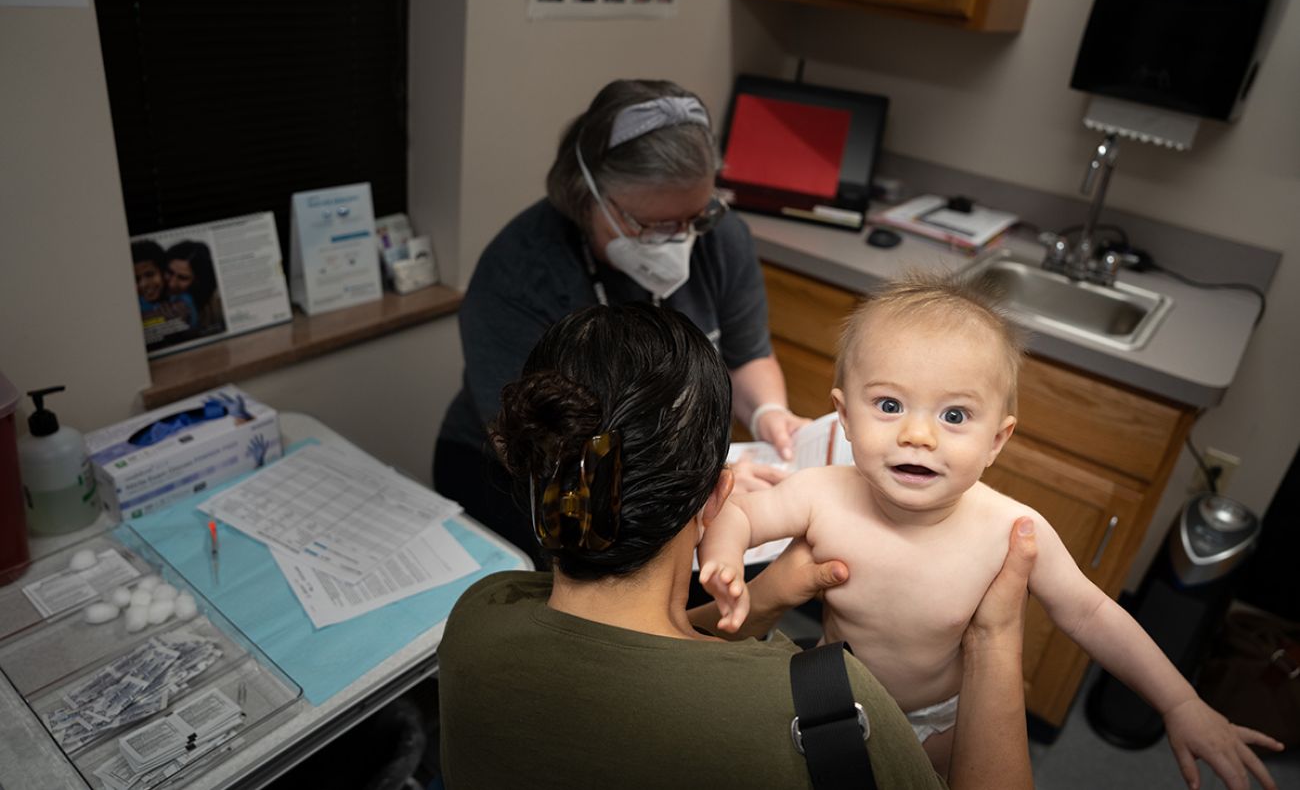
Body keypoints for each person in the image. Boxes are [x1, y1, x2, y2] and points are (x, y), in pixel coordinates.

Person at [698, 274, 1285, 787]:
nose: (919, 435)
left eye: (954, 415)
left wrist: (1180, 702)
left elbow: (1092, 613)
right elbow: (743, 513)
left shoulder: (1009, 530)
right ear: (844, 415)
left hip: (947, 720)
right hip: (837, 690)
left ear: (997, 441)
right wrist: (723, 560)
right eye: (889, 405)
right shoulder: (823, 493)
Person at [438, 303, 1039, 789]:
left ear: (547, 470)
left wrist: (765, 600)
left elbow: (626, 643)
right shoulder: (829, 713)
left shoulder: (481, 616)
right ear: (717, 496)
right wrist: (995, 636)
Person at [434, 79, 807, 564]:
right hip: (525, 473)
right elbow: (537, 447)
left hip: (673, 474)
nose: (679, 241)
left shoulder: (721, 239)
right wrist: (707, 477)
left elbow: (748, 352)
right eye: (652, 226)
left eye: (694, 218)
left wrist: (769, 415)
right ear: (586, 194)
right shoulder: (520, 271)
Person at [164, 240, 225, 338]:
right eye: (169, 272)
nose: (172, 284)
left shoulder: (214, 306)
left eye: (183, 278)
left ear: (197, 281)